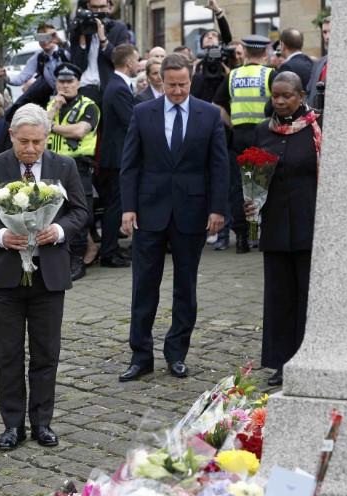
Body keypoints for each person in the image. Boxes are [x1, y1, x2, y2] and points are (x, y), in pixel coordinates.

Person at [0, 104, 88, 450]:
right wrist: (1, 236)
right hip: (6, 276)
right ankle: (12, 425)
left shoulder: (63, 166)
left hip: (48, 275)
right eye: (24, 142)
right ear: (11, 137)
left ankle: (42, 423)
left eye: (38, 142)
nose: (32, 149)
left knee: (45, 352)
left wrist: (60, 229)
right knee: (7, 354)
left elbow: (80, 210)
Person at [119, 53, 229, 382]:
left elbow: (219, 166)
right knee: (144, 287)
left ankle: (177, 352)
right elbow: (131, 163)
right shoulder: (142, 112)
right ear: (160, 81)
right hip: (149, 211)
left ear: (190, 81)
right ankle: (141, 356)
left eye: (182, 85)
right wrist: (128, 207)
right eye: (171, 85)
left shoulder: (209, 115)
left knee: (186, 287)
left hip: (192, 213)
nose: (177, 91)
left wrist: (218, 208)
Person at [244, 72, 321, 387]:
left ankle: (310, 357)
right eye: (275, 95)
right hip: (275, 225)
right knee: (279, 297)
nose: (279, 101)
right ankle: (281, 362)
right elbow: (254, 177)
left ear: (301, 95)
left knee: (306, 295)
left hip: (309, 223)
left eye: (286, 95)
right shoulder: (264, 130)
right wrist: (249, 202)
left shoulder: (317, 127)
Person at [213, 35, 274, 253]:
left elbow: (217, 105)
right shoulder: (270, 74)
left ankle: (240, 239)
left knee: (239, 189)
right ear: (265, 54)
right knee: (260, 188)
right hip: (264, 137)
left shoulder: (233, 76)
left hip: (239, 137)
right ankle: (257, 235)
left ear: (246, 53)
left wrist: (232, 125)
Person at [45, 63, 100, 281]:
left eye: (69, 81)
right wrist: (53, 110)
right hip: (52, 165)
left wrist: (53, 127)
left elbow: (79, 131)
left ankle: (77, 258)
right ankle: (68, 256)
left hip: (78, 167)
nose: (65, 86)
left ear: (78, 83)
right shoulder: (52, 106)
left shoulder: (89, 106)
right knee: (56, 213)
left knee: (78, 212)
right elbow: (39, 128)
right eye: (61, 82)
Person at [99, 44, 138, 269]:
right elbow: (131, 120)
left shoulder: (115, 85)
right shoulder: (119, 87)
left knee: (116, 204)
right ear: (129, 63)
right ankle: (109, 252)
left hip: (115, 155)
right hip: (117, 157)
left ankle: (111, 248)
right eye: (137, 60)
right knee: (115, 205)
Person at [69, 0, 129, 107]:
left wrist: (103, 40)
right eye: (94, 7)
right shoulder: (79, 27)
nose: (98, 11)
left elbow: (119, 60)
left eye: (102, 7)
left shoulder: (118, 28)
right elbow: (77, 63)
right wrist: (82, 36)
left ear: (109, 6)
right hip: (84, 88)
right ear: (88, 6)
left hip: (108, 88)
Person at [5, 23, 70, 118]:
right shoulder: (38, 57)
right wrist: (5, 77)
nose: (44, 41)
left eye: (47, 37)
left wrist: (61, 41)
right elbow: (21, 79)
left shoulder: (65, 51)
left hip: (72, 95)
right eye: (40, 37)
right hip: (54, 98)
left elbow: (80, 56)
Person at [271, 28, 313, 96]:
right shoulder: (310, 62)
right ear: (302, 45)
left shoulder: (287, 67)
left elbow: (281, 94)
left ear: (283, 45)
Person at [306, 16, 330, 109]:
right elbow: (308, 92)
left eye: (331, 31)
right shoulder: (319, 63)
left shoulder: (345, 63)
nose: (327, 36)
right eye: (325, 32)